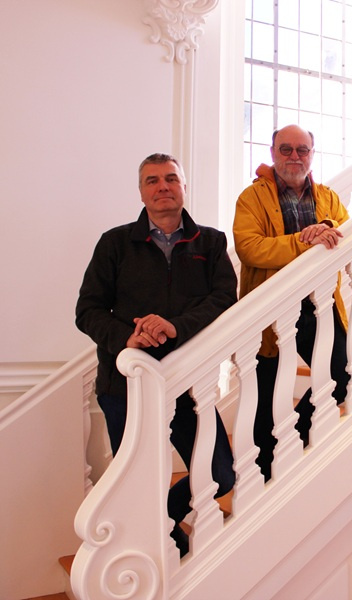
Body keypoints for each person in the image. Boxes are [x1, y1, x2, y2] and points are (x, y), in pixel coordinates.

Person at [76, 153, 237, 557]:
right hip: (124, 386)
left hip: (189, 384)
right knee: (136, 481)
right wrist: (127, 337)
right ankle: (170, 544)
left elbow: (223, 301)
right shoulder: (114, 243)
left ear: (184, 186)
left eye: (171, 179)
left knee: (220, 473)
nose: (162, 187)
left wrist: (174, 326)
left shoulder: (212, 242)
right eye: (152, 180)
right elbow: (87, 310)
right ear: (142, 191)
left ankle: (161, 521)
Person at [233, 124, 350, 481]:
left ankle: (292, 440)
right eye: (286, 149)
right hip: (269, 314)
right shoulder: (251, 198)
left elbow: (345, 227)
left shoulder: (327, 197)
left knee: (342, 375)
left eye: (302, 150)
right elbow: (249, 247)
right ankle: (261, 476)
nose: (294, 157)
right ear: (272, 153)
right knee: (264, 399)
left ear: (312, 155)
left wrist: (326, 224)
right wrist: (303, 240)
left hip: (318, 306)